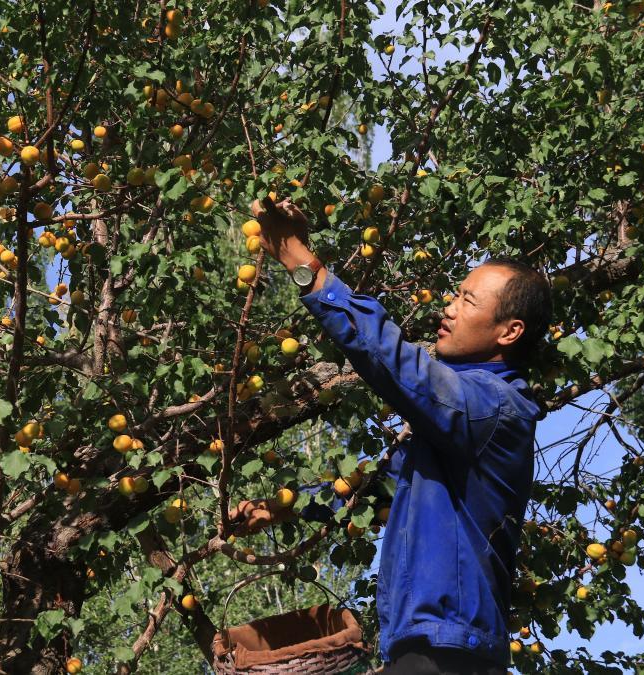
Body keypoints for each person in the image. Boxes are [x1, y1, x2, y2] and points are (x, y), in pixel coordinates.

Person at [228, 197, 552, 674]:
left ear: (510, 331)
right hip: (425, 652)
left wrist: (306, 267)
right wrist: (285, 505)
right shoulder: (449, 434)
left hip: (450, 656)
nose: (449, 307)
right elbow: (369, 491)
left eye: (468, 300)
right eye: (455, 294)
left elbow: (400, 367)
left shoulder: (495, 410)